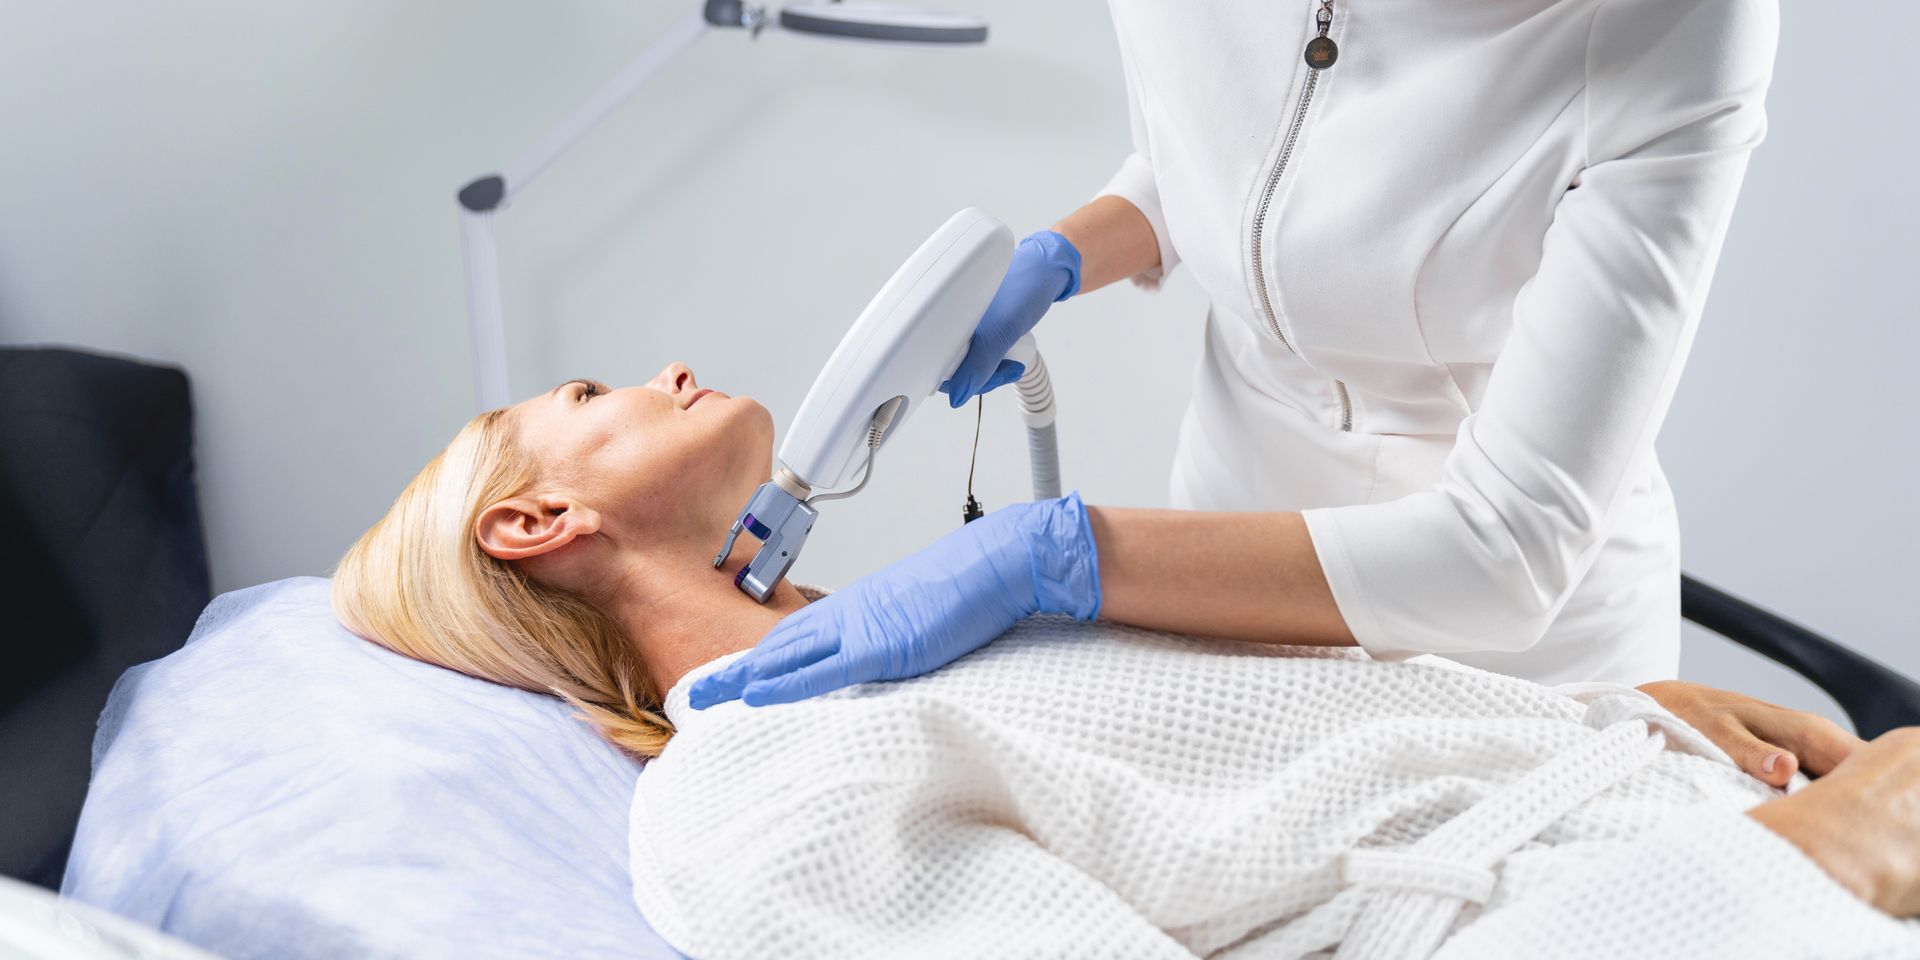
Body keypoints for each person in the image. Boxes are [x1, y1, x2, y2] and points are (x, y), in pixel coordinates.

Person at [692, 0, 1787, 709]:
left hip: (1512, 654)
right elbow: (1211, 162)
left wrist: (1055, 556)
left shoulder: (1662, 9)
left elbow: (1506, 553)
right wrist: (1065, 255)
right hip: (1223, 582)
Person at [329, 363, 1920, 957]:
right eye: (594, 392)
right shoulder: (753, 803)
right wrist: (1793, 879)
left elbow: (1287, 781)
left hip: (1683, 810)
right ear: (534, 523)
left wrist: (1600, 716)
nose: (665, 370)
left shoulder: (940, 644)